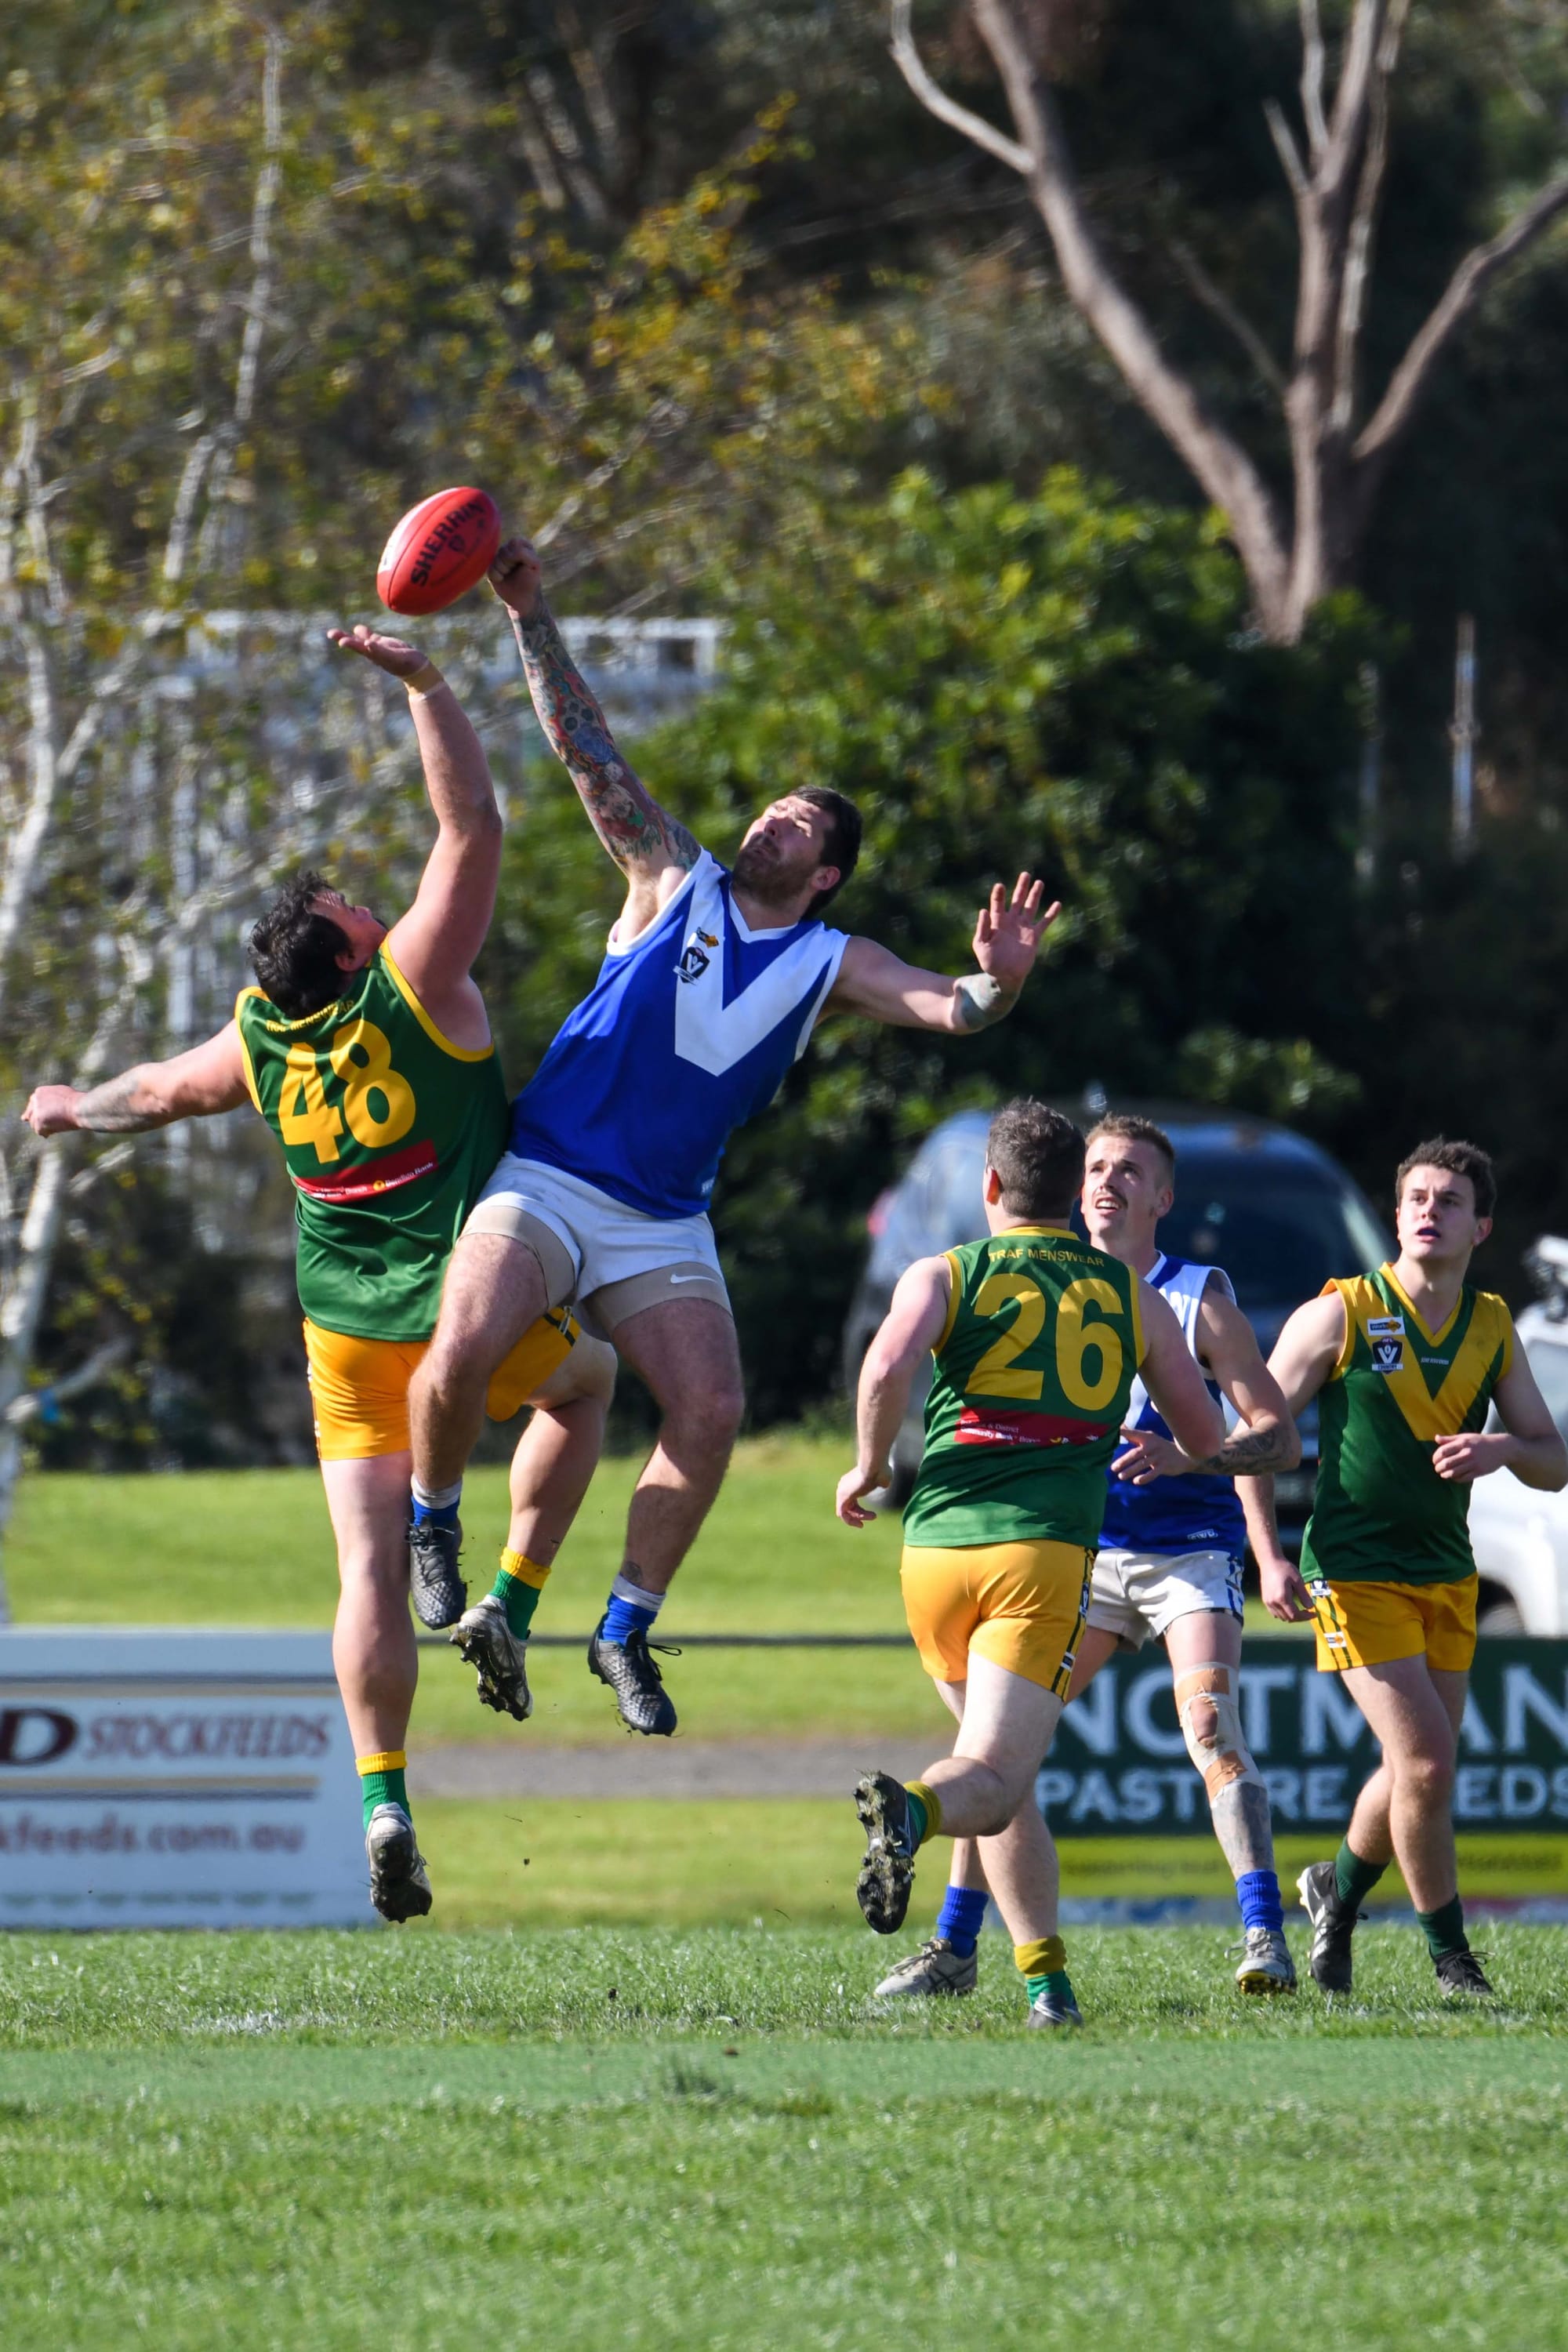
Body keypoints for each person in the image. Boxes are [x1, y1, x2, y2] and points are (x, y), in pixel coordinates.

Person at [403, 532, 1058, 1740]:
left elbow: (949, 1008)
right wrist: (529, 614)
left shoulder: (827, 962)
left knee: (710, 1410)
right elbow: (582, 746)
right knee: (459, 1345)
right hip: (549, 1176)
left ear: (828, 875)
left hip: (659, 1219)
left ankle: (624, 1628)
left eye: (801, 826)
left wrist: (999, 986)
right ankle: (434, 1519)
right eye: (772, 809)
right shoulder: (670, 879)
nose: (772, 825)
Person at [23, 619, 615, 1924]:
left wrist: (73, 1107)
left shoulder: (263, 1039)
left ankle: (383, 1796)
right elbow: (473, 832)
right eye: (361, 906)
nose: (375, 898)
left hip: (343, 1340)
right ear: (353, 955)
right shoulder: (411, 986)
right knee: (594, 1386)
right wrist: (427, 684)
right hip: (467, 1312)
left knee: (362, 1576)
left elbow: (159, 1093)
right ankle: (509, 1596)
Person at [873, 1112, 1303, 2002]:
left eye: (1131, 1170)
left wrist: (1213, 1485)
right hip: (1078, 1558)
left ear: (1163, 1196)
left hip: (1182, 1552)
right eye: (1097, 1166)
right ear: (1072, 1187)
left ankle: (1262, 1932)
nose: (1108, 1181)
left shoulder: (1192, 1297)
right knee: (994, 1756)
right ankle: (955, 1949)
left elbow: (1274, 1438)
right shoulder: (1071, 1286)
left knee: (1209, 1728)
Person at [1244, 1138, 1566, 1998]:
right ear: (1394, 1217)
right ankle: (1450, 1959)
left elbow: (1551, 1458)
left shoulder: (1491, 1324)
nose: (1428, 1209)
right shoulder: (1341, 1312)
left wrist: (1498, 1446)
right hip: (1349, 1569)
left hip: (1444, 1571)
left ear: (1481, 1226)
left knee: (1411, 1771)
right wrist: (1267, 1553)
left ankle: (1333, 1897)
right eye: (1415, 1197)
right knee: (1424, 1763)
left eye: (1449, 1200)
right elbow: (1256, 1434)